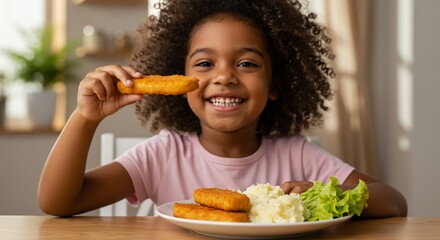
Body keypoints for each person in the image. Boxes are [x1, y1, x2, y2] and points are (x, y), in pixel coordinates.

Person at [38, 0, 407, 218]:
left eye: (246, 64)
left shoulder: (297, 154)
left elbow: (394, 202)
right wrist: (85, 118)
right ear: (179, 83)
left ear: (276, 84)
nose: (225, 77)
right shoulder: (164, 153)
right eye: (204, 64)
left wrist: (321, 194)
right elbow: (58, 202)